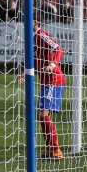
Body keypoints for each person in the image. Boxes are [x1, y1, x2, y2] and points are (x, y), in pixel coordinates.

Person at [18, 20, 65, 160]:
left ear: (36, 22)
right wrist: (22, 72)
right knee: (42, 116)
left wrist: (51, 64)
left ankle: (56, 150)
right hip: (46, 81)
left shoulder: (41, 34)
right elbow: (32, 57)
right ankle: (50, 150)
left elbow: (58, 49)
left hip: (54, 79)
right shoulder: (32, 38)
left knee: (43, 115)